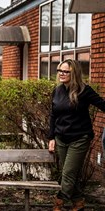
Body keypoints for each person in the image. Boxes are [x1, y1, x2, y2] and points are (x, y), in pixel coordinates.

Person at [48, 59, 105, 211]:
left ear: (74, 73)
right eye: (60, 70)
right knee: (69, 174)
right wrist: (51, 137)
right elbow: (53, 116)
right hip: (61, 138)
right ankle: (78, 203)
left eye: (66, 71)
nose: (62, 74)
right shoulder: (58, 90)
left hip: (79, 138)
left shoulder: (84, 91)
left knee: (67, 173)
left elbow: (102, 104)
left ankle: (58, 204)